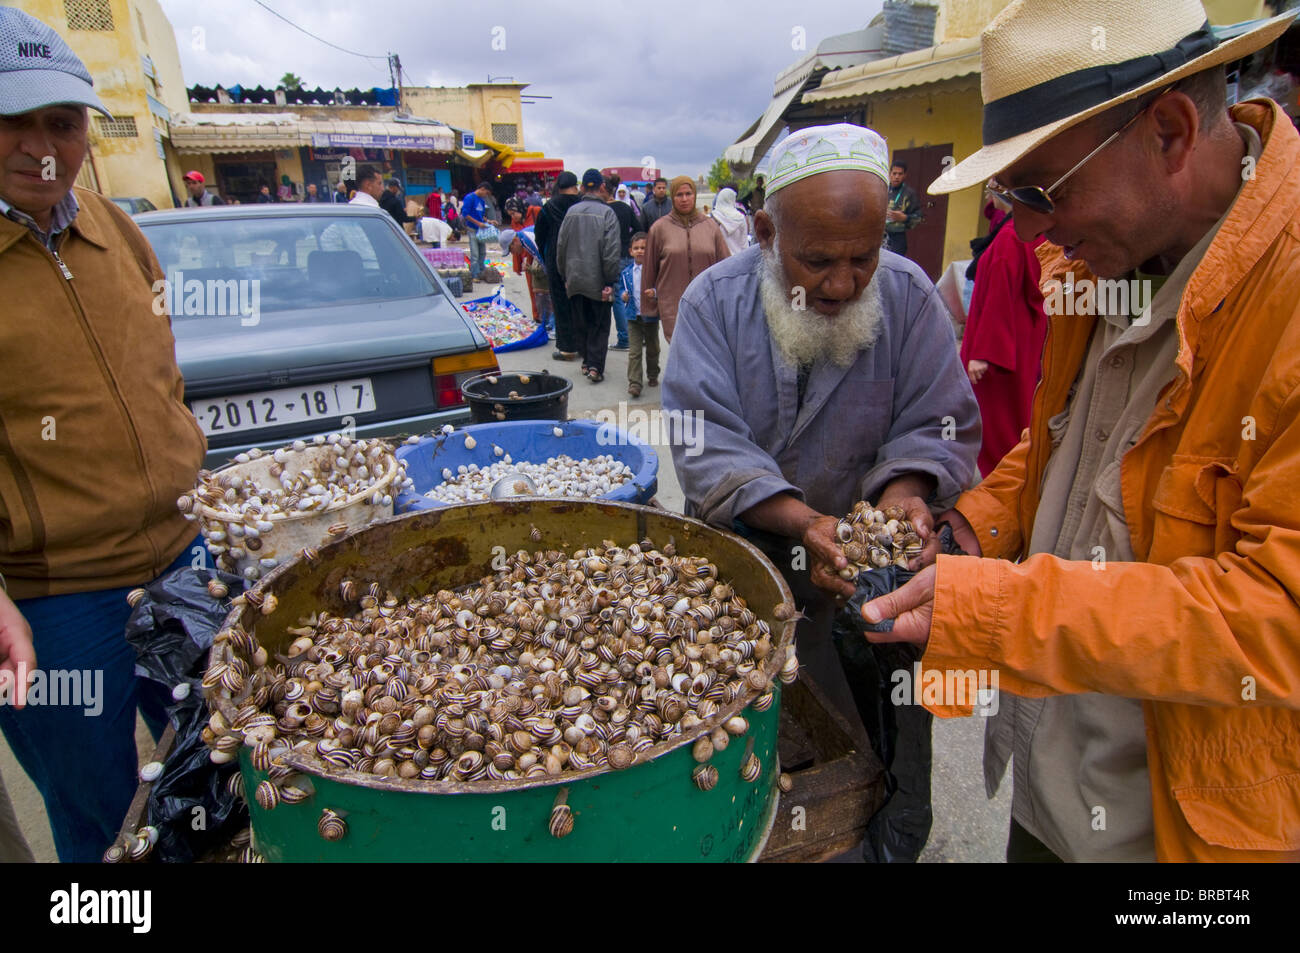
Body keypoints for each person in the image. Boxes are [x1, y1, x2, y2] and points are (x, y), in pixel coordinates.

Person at [864, 0, 1300, 864]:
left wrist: (998, 610)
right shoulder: (1107, 260)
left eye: (1040, 192)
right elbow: (1073, 441)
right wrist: (972, 525)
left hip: (1187, 833)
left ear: (1171, 133)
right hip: (1058, 790)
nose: (1024, 230)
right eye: (1009, 197)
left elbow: (1277, 617)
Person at [662, 122, 979, 862]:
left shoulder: (906, 297)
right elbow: (705, 442)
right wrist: (803, 521)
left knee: (878, 746)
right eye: (818, 260)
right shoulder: (714, 303)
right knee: (752, 752)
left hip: (870, 577)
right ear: (767, 231)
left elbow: (941, 416)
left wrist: (904, 494)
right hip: (751, 564)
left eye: (862, 258)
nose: (842, 283)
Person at [0, 7, 206, 862]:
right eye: (13, 121)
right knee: (97, 815)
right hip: (52, 603)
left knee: (215, 772)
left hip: (183, 563)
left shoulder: (117, 231)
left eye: (63, 122)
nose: (42, 145)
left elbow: (163, 377)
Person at [960, 192, 1047, 476]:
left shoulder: (1010, 237)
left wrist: (984, 353)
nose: (987, 191)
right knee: (1019, 416)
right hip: (1023, 338)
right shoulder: (1028, 231)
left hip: (1002, 348)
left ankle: (1000, 486)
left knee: (999, 425)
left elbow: (1000, 293)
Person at [641, 175, 730, 341]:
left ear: (694, 195)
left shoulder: (710, 227)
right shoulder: (659, 229)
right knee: (681, 351)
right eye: (679, 195)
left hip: (707, 304)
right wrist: (649, 306)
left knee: (706, 352)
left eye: (688, 194)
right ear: (672, 197)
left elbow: (725, 265)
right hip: (672, 305)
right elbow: (648, 269)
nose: (684, 199)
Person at [556, 169, 621, 383]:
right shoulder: (608, 214)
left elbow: (561, 247)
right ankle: (595, 367)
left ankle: (586, 362)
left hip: (574, 279)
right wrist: (610, 281)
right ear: (601, 187)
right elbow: (611, 252)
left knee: (580, 323)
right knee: (599, 326)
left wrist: (565, 275)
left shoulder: (571, 212)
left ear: (583, 187)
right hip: (598, 280)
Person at [534, 170, 583, 360]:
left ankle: (567, 348)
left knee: (561, 304)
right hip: (581, 258)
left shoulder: (549, 207)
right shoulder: (582, 204)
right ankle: (584, 345)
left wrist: (546, 256)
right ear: (575, 185)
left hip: (556, 258)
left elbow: (540, 236)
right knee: (581, 303)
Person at [619, 232, 658, 397]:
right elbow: (622, 289)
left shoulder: (653, 271)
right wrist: (623, 295)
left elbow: (661, 286)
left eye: (644, 247)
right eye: (636, 248)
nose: (640, 251)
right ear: (630, 251)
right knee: (634, 351)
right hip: (633, 316)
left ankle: (653, 373)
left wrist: (654, 292)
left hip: (650, 315)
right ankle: (635, 383)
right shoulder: (626, 272)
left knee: (653, 348)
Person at [602, 179, 638, 351]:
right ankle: (637, 335)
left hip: (612, 255)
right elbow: (639, 228)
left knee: (617, 297)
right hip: (627, 254)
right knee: (631, 293)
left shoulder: (603, 210)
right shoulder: (626, 208)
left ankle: (624, 339)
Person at [884, 160, 922, 256]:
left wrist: (904, 218)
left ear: (905, 175)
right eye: (894, 173)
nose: (897, 177)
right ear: (890, 174)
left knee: (894, 266)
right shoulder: (882, 189)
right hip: (879, 235)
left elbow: (919, 217)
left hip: (897, 237)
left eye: (900, 174)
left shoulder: (909, 194)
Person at [459, 182, 496, 280]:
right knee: (475, 254)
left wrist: (489, 221)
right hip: (472, 229)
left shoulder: (482, 200)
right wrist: (478, 223)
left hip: (481, 230)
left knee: (482, 252)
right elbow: (465, 214)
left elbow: (482, 216)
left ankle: (481, 272)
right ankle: (474, 275)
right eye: (486, 193)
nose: (486, 195)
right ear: (482, 189)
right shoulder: (469, 198)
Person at [711, 186, 749, 255]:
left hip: (720, 260)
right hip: (738, 258)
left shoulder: (714, 217)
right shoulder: (740, 218)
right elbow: (744, 244)